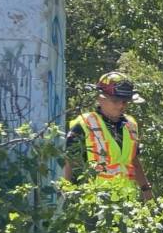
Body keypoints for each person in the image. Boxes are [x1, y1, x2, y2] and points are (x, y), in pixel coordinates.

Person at [63, 71, 154, 201]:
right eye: (115, 101)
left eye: (125, 101)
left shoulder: (131, 125)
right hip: (93, 201)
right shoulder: (84, 124)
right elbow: (69, 163)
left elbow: (134, 161)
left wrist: (146, 191)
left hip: (127, 202)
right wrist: (65, 195)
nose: (121, 105)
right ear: (100, 98)